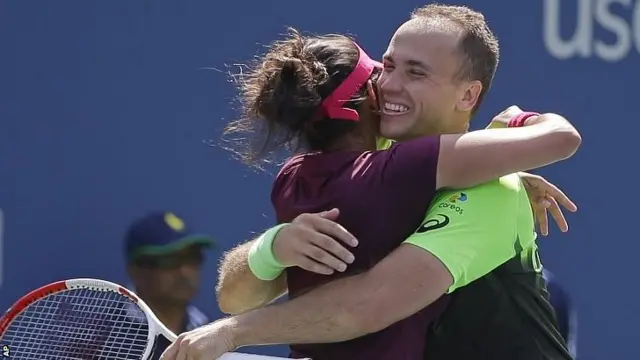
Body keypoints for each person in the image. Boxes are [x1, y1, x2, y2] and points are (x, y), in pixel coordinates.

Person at [161, 5, 580, 360]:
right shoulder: (370, 163)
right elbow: (234, 296)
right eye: (389, 65)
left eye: (416, 73)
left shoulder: (492, 194)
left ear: (468, 96)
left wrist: (232, 333)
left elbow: (368, 304)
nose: (389, 84)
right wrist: (276, 245)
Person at [125, 211, 213, 359]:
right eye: (170, 260)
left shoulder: (211, 332)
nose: (185, 272)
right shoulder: (101, 336)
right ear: (136, 270)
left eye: (193, 258)